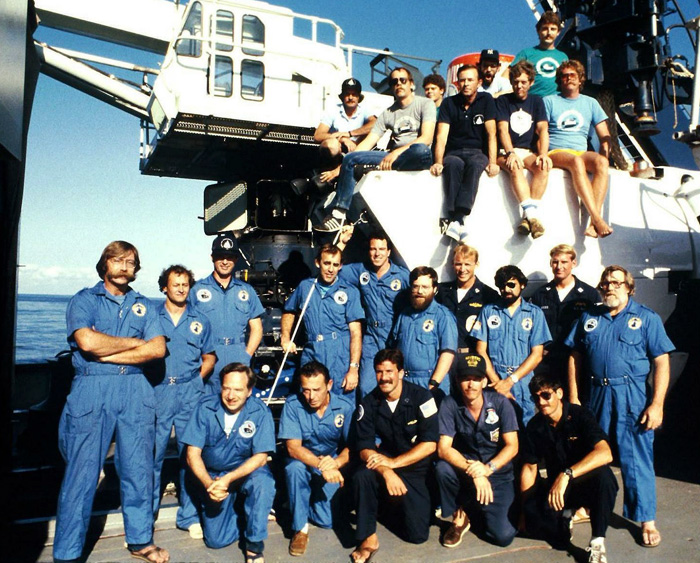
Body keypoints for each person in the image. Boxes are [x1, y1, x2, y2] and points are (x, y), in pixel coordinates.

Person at [54, 241, 169, 563]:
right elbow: (86, 342)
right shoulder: (84, 300)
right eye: (117, 260)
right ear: (104, 264)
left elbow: (157, 349)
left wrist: (106, 352)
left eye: (131, 262)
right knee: (81, 474)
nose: (124, 266)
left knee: (138, 470)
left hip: (135, 390)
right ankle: (67, 553)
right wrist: (134, 343)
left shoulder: (145, 305)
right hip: (92, 390)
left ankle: (140, 540)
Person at [565, 265, 675, 548]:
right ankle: (588, 505)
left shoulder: (646, 318)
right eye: (605, 283)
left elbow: (661, 361)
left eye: (616, 283)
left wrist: (657, 404)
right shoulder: (589, 318)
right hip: (596, 394)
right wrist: (575, 398)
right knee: (591, 453)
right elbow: (575, 356)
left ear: (629, 287)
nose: (609, 287)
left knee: (636, 458)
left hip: (632, 396)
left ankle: (646, 519)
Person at [314, 67, 435, 232]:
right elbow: (368, 142)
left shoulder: (425, 104)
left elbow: (426, 138)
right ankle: (339, 212)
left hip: (416, 156)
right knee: (350, 158)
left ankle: (388, 166)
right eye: (394, 81)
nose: (398, 84)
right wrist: (339, 169)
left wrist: (395, 153)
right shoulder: (388, 113)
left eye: (402, 80)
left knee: (420, 149)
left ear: (411, 84)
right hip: (395, 159)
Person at [351, 349, 439, 563]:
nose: (384, 377)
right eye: (379, 372)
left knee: (418, 535)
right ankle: (367, 537)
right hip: (383, 465)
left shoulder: (422, 397)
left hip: (414, 468)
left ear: (401, 373)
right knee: (362, 475)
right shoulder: (369, 402)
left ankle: (390, 507)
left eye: (389, 371)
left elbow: (430, 445)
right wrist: (387, 469)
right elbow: (363, 447)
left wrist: (394, 463)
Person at [182, 363, 275, 562]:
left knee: (264, 483)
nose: (231, 395)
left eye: (238, 390)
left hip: (245, 474)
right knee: (216, 541)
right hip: (214, 477)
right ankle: (244, 515)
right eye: (227, 388)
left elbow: (260, 458)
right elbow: (192, 454)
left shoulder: (260, 412)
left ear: (249, 391)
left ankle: (254, 546)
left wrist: (229, 479)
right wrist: (210, 484)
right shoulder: (205, 407)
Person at [521, 373, 618, 563]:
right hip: (557, 490)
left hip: (583, 482)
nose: (541, 402)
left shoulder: (580, 415)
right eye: (536, 397)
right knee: (542, 529)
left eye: (546, 395)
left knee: (606, 478)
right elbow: (530, 468)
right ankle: (566, 514)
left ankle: (597, 542)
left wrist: (567, 474)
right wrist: (524, 512)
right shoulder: (535, 426)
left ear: (559, 393)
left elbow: (606, 453)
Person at [152, 265, 216, 540]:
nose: (180, 288)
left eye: (185, 284)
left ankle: (189, 516)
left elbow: (209, 357)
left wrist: (195, 381)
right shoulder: (150, 318)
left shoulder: (200, 320)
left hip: (190, 393)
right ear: (164, 287)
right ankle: (147, 516)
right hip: (158, 392)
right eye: (174, 284)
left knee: (190, 456)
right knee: (150, 456)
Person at [436, 353, 518, 548]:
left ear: (484, 381)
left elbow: (512, 446)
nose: (470, 384)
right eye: (465, 378)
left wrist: (487, 469)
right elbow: (443, 448)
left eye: (476, 379)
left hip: (498, 473)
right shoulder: (450, 404)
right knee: (442, 469)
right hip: (468, 470)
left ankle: (476, 509)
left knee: (503, 536)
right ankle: (460, 515)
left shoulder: (500, 403)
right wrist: (474, 472)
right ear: (457, 380)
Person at [278, 361, 355, 556]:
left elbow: (352, 446)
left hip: (332, 462)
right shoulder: (293, 405)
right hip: (304, 462)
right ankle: (299, 528)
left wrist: (336, 464)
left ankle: (299, 501)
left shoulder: (344, 407)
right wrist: (323, 466)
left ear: (329, 385)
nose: (311, 397)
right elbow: (293, 448)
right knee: (293, 469)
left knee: (326, 521)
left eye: (316, 389)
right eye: (306, 390)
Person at [281, 244, 364, 398]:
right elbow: (289, 311)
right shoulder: (306, 287)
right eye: (326, 263)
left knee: (340, 401)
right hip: (312, 351)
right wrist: (285, 338)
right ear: (317, 263)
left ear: (340, 266)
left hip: (339, 354)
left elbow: (356, 333)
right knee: (309, 397)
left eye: (335, 265)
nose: (330, 269)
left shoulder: (349, 291)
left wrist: (353, 369)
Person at [471, 265, 551, 424]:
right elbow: (480, 350)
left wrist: (510, 381)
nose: (506, 289)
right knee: (494, 426)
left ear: (522, 285)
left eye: (511, 285)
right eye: (502, 286)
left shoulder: (534, 313)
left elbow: (537, 354)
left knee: (525, 425)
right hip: (494, 379)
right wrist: (497, 383)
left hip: (523, 381)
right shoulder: (489, 311)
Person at [545, 60, 614, 238]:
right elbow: (541, 130)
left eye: (572, 75)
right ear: (560, 80)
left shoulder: (590, 103)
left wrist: (605, 154)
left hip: (580, 152)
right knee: (576, 162)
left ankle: (592, 224)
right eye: (564, 76)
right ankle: (598, 219)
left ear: (580, 78)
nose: (569, 78)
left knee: (601, 161)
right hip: (556, 152)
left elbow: (604, 134)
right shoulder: (549, 101)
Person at [338, 227, 410, 396]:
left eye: (382, 249)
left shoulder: (402, 276)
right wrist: (341, 243)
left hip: (395, 336)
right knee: (366, 387)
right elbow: (333, 268)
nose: (377, 253)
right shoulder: (361, 271)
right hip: (371, 337)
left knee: (398, 388)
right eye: (373, 249)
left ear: (389, 252)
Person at [431, 64, 499, 242]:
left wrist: (493, 162)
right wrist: (438, 161)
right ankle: (459, 220)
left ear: (479, 82)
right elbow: (441, 136)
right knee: (452, 165)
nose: (466, 83)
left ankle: (456, 219)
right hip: (454, 151)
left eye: (470, 80)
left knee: (476, 165)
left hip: (477, 151)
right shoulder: (448, 103)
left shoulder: (486, 100)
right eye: (462, 80)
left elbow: (492, 133)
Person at [192, 232, 264, 391]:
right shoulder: (197, 290)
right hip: (207, 357)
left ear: (236, 260)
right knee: (207, 406)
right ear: (212, 257)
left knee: (235, 405)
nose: (225, 261)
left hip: (237, 355)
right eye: (220, 256)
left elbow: (257, 328)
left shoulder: (247, 291)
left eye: (230, 257)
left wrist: (246, 356)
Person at [529, 244, 600, 386]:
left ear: (574, 263)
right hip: (547, 362)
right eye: (555, 262)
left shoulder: (589, 295)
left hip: (577, 361)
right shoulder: (540, 294)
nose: (559, 266)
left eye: (564, 262)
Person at [496, 60, 551, 238]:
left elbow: (543, 129)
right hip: (505, 151)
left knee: (543, 166)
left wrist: (543, 153)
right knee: (515, 166)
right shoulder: (504, 101)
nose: (519, 86)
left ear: (531, 82)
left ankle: (528, 217)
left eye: (523, 82)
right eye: (516, 82)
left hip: (527, 151)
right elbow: (502, 129)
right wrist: (510, 152)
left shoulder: (536, 101)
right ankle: (533, 216)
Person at [390, 266, 458, 396]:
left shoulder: (443, 316)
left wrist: (434, 383)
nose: (419, 291)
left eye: (425, 287)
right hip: (404, 382)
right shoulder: (404, 315)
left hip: (429, 382)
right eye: (415, 286)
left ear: (435, 289)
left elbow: (448, 353)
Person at [436, 243, 498, 353]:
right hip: (443, 355)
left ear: (476, 264)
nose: (462, 269)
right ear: (452, 264)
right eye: (458, 264)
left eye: (467, 264)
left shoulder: (488, 295)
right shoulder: (441, 292)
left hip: (472, 357)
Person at [314, 78, 377, 183]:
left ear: (359, 97)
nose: (350, 97)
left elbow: (375, 124)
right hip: (337, 152)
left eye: (354, 94)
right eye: (347, 94)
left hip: (356, 149)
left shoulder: (365, 110)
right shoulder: (333, 110)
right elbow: (317, 135)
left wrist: (350, 134)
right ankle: (330, 172)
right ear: (342, 96)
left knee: (370, 134)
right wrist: (342, 138)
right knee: (331, 145)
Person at [513, 10, 568, 96]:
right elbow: (507, 76)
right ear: (538, 31)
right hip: (532, 103)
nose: (549, 33)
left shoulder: (563, 57)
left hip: (556, 104)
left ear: (558, 32)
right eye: (545, 29)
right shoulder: (526, 54)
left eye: (553, 29)